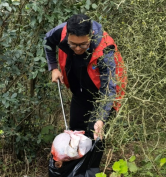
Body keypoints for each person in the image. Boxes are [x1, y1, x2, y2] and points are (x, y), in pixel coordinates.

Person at [44, 14, 125, 163]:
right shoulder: (61, 31)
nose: (77, 49)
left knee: (94, 133)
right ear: (68, 35)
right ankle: (73, 170)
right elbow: (48, 41)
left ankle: (90, 171)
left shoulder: (105, 48)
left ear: (91, 35)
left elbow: (109, 88)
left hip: (103, 94)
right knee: (75, 130)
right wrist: (54, 67)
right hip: (80, 90)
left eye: (83, 45)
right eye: (73, 44)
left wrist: (101, 118)